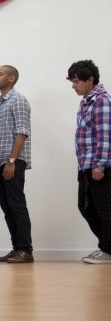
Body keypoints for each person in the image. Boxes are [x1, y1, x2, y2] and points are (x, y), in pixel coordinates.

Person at [0, 65, 33, 263]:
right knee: (6, 207)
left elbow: (22, 132)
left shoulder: (18, 100)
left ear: (11, 78)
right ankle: (16, 248)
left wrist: (11, 161)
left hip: (12, 161)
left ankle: (25, 250)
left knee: (17, 205)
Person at [67, 60, 111, 264]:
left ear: (90, 79)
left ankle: (108, 250)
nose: (73, 85)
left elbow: (105, 135)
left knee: (104, 208)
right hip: (85, 164)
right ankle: (105, 246)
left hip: (97, 165)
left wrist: (99, 164)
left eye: (76, 81)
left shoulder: (101, 100)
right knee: (86, 207)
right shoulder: (86, 100)